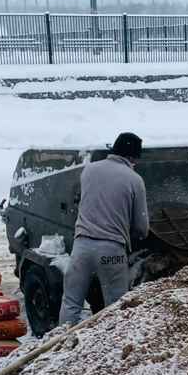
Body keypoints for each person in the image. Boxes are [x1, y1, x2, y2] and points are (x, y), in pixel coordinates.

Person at [58, 132, 149, 326]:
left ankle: (62, 344)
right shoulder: (134, 180)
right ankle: (110, 349)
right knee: (115, 308)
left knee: (71, 302)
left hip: (81, 247)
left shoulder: (89, 170)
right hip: (111, 251)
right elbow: (141, 227)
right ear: (132, 157)